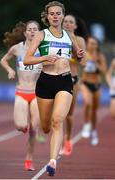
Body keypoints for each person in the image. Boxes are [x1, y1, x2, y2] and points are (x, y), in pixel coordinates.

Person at [23, 1, 85, 176]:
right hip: (45, 82)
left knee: (58, 121)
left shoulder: (69, 36)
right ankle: (49, 138)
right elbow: (27, 59)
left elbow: (79, 57)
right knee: (45, 127)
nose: (56, 16)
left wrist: (79, 55)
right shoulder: (41, 35)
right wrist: (43, 58)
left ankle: (52, 162)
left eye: (59, 13)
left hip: (65, 81)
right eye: (52, 14)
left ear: (63, 15)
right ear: (47, 16)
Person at [0, 20, 42, 171]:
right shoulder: (16, 49)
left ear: (39, 33)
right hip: (22, 92)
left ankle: (29, 159)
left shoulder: (43, 49)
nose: (32, 32)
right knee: (20, 126)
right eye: (30, 29)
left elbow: (53, 66)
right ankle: (24, 127)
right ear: (25, 33)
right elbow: (3, 60)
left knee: (34, 129)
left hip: (37, 94)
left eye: (35, 30)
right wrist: (10, 70)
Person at [62, 14, 88, 155]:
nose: (67, 24)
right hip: (56, 78)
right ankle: (58, 141)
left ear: (75, 26)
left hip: (72, 79)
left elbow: (83, 62)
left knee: (69, 114)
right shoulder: (57, 38)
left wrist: (71, 57)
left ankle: (68, 139)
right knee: (57, 114)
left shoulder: (79, 40)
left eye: (70, 22)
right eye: (65, 21)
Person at [81, 36, 107, 145]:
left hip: (96, 84)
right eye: (90, 43)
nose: (91, 45)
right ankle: (86, 125)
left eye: (93, 43)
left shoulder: (100, 56)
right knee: (88, 103)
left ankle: (94, 131)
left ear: (97, 45)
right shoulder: (84, 54)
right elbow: (80, 65)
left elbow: (104, 71)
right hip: (85, 82)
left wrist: (95, 62)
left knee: (94, 110)